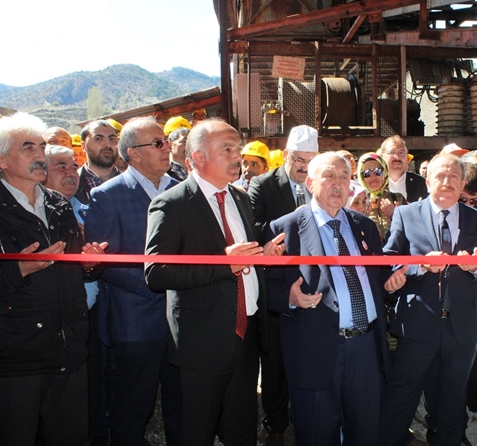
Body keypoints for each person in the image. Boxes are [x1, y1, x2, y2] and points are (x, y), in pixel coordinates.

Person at [145, 118, 284, 446]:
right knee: (198, 430)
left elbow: (243, 259)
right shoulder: (172, 203)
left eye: (238, 148)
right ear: (199, 157)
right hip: (201, 342)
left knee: (241, 428)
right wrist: (225, 265)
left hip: (246, 335)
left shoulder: (239, 198)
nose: (237, 156)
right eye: (228, 149)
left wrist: (262, 255)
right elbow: (157, 272)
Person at [265, 152, 406, 445]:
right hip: (316, 350)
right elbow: (267, 290)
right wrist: (290, 298)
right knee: (317, 433)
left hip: (366, 349)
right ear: (311, 181)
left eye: (345, 177)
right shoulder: (285, 229)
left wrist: (390, 286)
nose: (338, 184)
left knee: (365, 432)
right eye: (330, 176)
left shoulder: (364, 226)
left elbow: (376, 281)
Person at [0, 112, 106, 446]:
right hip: (16, 358)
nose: (39, 155)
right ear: (2, 160)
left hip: (69, 351)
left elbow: (73, 270)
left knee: (71, 436)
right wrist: (18, 269)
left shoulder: (59, 205)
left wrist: (90, 264)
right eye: (27, 147)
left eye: (42, 147)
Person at [381, 154, 477, 446]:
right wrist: (418, 266)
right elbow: (389, 260)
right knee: (402, 394)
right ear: (428, 180)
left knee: (453, 397)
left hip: (462, 325)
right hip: (418, 322)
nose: (447, 183)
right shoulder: (406, 214)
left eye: (454, 178)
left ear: (462, 185)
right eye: (440, 176)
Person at [85, 116, 181, 446]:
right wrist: (162, 282)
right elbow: (106, 262)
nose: (166, 147)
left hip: (183, 317)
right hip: (137, 321)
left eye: (166, 141)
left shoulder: (181, 189)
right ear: (134, 154)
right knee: (131, 409)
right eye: (158, 143)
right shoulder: (107, 196)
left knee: (181, 404)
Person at [247, 125, 319, 445]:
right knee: (274, 361)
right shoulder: (262, 184)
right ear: (287, 155)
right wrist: (290, 229)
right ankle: (275, 424)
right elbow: (254, 225)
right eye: (300, 161)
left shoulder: (321, 181)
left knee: (309, 357)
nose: (305, 168)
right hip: (277, 284)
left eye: (311, 161)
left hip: (314, 281)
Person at [357, 152, 406, 239]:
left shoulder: (398, 198)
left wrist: (396, 215)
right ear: (361, 176)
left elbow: (411, 230)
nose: (373, 177)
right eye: (367, 173)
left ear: (385, 172)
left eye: (378, 171)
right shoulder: (356, 201)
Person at [75, 119, 120, 204]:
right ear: (83, 146)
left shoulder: (132, 183)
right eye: (98, 138)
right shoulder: (72, 186)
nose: (107, 144)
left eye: (112, 138)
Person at [379, 135, 428, 203]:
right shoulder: (374, 182)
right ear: (382, 157)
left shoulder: (422, 183)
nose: (397, 157)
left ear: (407, 157)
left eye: (402, 153)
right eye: (392, 152)